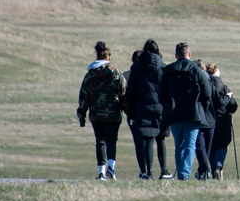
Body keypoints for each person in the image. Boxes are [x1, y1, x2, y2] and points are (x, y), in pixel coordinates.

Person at [158, 42, 212, 181]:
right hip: (193, 113)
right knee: (190, 145)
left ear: (176, 55)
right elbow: (207, 92)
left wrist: (168, 105)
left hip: (175, 113)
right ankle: (184, 174)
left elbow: (161, 94)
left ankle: (183, 172)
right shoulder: (196, 70)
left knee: (179, 146)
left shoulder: (168, 71)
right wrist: (203, 107)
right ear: (189, 54)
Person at [77, 41, 126, 180]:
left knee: (100, 141)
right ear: (109, 58)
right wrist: (128, 111)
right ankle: (111, 168)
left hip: (96, 114)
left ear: (97, 57)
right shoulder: (117, 74)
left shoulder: (90, 75)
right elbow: (123, 94)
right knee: (112, 140)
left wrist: (82, 115)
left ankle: (101, 172)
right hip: (113, 113)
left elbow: (83, 96)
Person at [125, 39, 171, 180]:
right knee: (161, 139)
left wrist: (131, 112)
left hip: (142, 108)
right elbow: (169, 91)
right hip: (161, 108)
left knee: (148, 139)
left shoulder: (137, 69)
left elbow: (131, 93)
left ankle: (148, 172)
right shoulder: (163, 68)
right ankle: (164, 171)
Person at [206, 63, 236, 180]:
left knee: (211, 147)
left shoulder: (206, 87)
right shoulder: (224, 88)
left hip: (209, 121)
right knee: (222, 145)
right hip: (223, 122)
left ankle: (214, 171)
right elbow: (233, 107)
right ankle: (219, 166)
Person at [192, 58, 221, 180]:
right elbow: (217, 101)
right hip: (208, 120)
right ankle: (206, 171)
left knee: (201, 149)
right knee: (205, 149)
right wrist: (227, 98)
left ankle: (203, 171)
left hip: (197, 119)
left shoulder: (192, 82)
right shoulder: (208, 82)